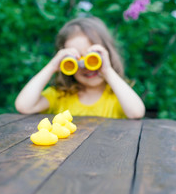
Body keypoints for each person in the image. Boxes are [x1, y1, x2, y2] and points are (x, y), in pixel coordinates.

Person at [15, 17, 145, 119]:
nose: (86, 66)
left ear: (107, 55)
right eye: (75, 60)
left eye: (93, 58)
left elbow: (136, 113)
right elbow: (24, 106)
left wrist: (107, 71)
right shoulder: (60, 95)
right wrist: (52, 66)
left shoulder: (117, 95)